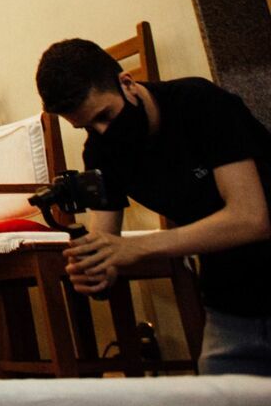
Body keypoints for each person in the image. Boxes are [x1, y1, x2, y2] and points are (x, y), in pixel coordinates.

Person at [37, 39, 271, 375]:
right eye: (87, 126)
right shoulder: (101, 151)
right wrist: (95, 270)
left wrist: (138, 246)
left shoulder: (200, 103)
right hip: (231, 299)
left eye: (105, 115)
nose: (102, 131)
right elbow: (105, 240)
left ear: (127, 83)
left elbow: (251, 217)